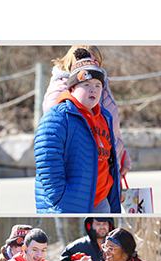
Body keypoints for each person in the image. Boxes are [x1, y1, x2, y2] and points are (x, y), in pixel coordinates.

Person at [34, 49, 121, 213]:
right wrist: (62, 198)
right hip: (70, 203)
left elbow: (108, 156)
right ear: (72, 88)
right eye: (86, 85)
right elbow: (47, 162)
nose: (93, 90)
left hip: (101, 200)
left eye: (97, 85)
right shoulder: (58, 116)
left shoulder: (105, 117)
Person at [42, 46, 130, 177]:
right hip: (80, 175)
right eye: (87, 57)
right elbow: (53, 134)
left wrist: (122, 155)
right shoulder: (61, 87)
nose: (92, 62)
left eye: (96, 60)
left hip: (106, 170)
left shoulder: (100, 85)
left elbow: (111, 126)